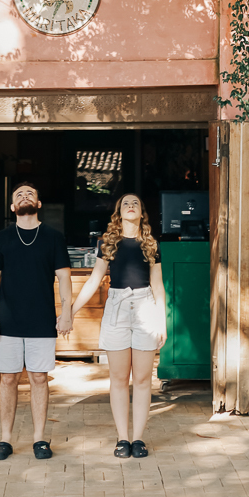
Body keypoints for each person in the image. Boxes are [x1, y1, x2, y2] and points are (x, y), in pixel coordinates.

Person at [71, 194, 166, 459]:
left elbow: (158, 285)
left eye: (136, 202)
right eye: (126, 203)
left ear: (141, 212)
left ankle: (138, 439)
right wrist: (70, 311)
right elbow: (93, 281)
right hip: (117, 310)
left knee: (144, 379)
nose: (131, 206)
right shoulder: (108, 243)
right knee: (119, 379)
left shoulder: (151, 244)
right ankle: (122, 438)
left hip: (146, 308)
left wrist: (162, 321)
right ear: (119, 212)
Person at [0, 183, 72, 460]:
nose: (24, 196)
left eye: (30, 193)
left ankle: (39, 439)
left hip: (42, 320)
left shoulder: (53, 237)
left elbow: (64, 278)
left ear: (39, 203)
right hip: (7, 321)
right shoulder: (2, 238)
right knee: (8, 379)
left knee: (38, 378)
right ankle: (5, 440)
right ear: (12, 207)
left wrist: (67, 311)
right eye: (19, 195)